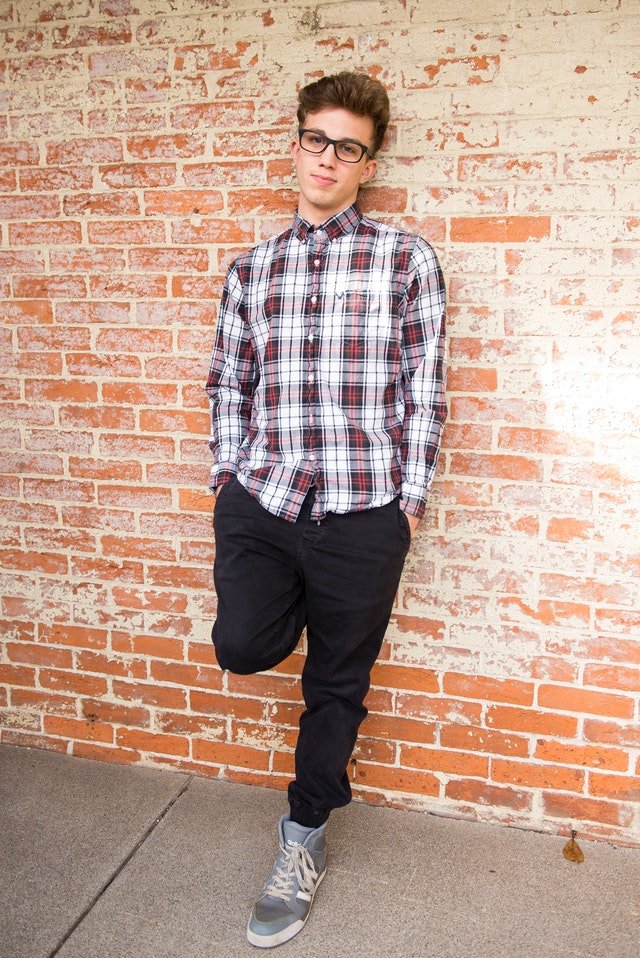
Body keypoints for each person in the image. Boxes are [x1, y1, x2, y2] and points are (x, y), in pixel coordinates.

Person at [205, 71, 446, 949]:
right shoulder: (252, 269)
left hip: (362, 511)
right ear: (296, 142)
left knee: (335, 686)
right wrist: (226, 478)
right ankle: (294, 586)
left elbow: (425, 390)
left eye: (348, 146)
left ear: (367, 164)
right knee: (242, 645)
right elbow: (229, 382)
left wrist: (407, 503)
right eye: (317, 138)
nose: (328, 157)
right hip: (263, 502)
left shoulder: (405, 258)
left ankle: (300, 839)